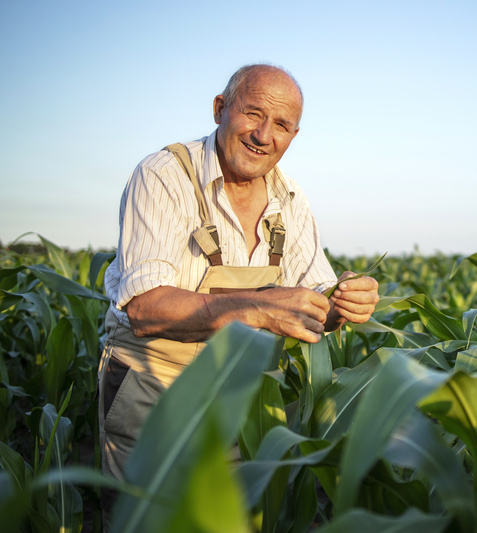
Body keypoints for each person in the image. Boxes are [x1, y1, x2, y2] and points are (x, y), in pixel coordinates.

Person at [97, 63, 379, 516]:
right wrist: (260, 307)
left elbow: (315, 303)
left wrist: (344, 301)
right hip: (152, 389)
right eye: (253, 114)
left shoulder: (291, 200)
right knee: (147, 519)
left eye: (282, 125)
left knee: (230, 518)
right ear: (220, 110)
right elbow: (146, 309)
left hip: (241, 395)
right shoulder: (164, 176)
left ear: (293, 136)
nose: (264, 135)